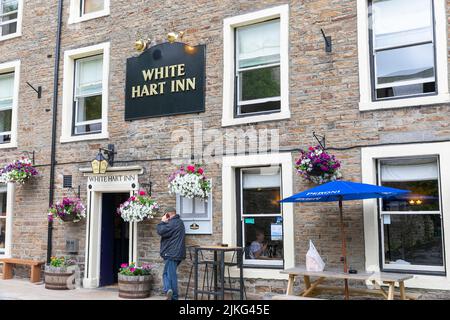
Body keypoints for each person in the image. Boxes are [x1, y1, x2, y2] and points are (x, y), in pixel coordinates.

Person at [157, 207, 186, 300]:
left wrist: (162, 221)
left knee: (170, 275)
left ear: (168, 214)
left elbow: (160, 231)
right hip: (177, 253)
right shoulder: (179, 222)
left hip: (171, 254)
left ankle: (172, 295)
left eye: (165, 215)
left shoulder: (172, 223)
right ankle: (169, 290)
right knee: (167, 273)